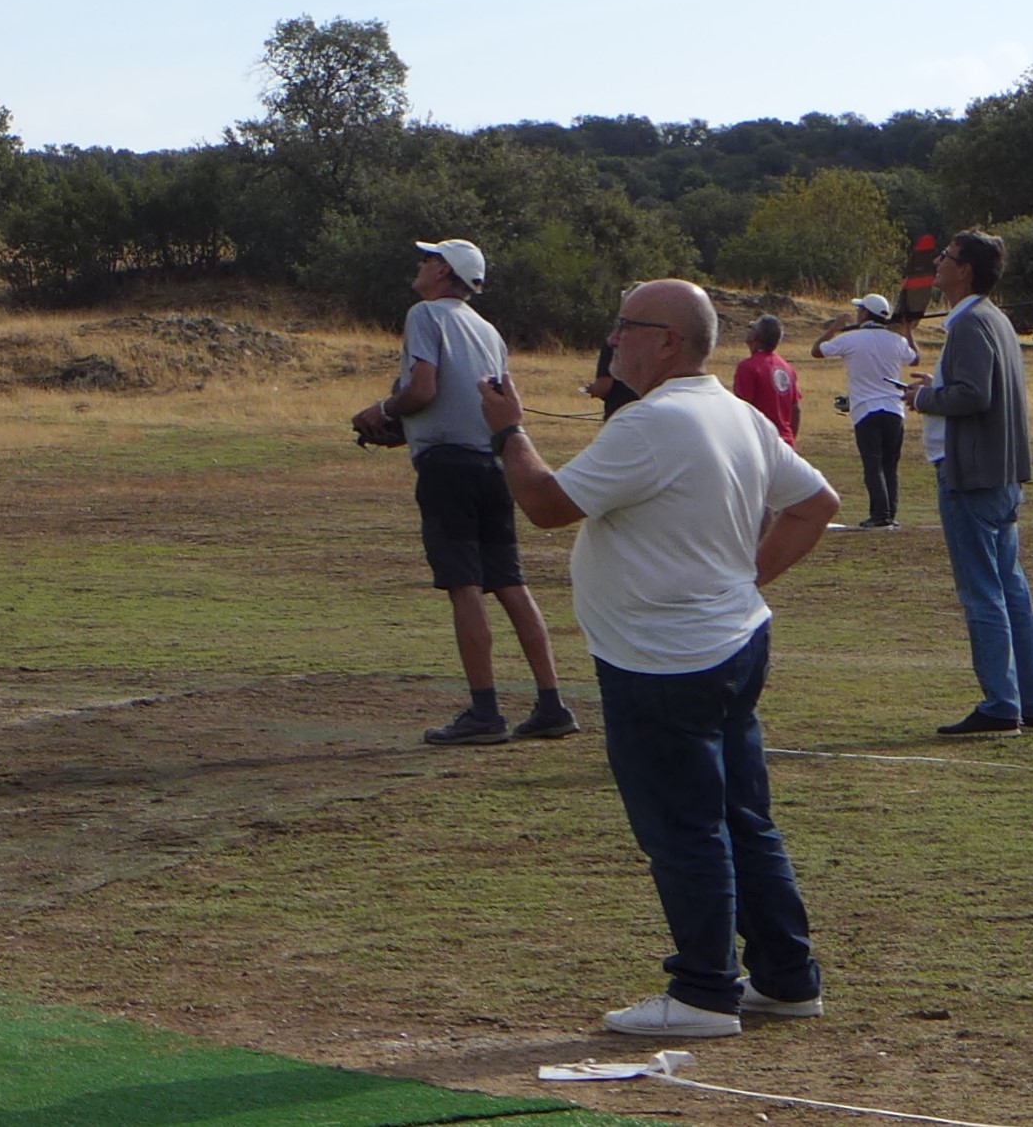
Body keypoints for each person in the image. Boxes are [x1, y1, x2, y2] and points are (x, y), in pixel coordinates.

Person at [480, 280, 839, 1039]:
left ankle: (704, 992)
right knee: (742, 818)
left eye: (626, 326)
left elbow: (545, 505)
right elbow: (814, 504)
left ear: (669, 341)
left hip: (662, 660)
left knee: (683, 829)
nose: (613, 339)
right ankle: (785, 979)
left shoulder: (650, 424)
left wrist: (509, 431)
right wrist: (742, 582)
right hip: (732, 642)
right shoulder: (734, 413)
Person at [349, 238, 577, 746]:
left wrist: (381, 412)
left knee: (464, 584)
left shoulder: (426, 315)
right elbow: (498, 401)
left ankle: (485, 711)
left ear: (444, 271)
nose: (420, 264)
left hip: (446, 468)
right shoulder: (489, 330)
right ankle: (551, 704)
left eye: (429, 259)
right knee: (511, 583)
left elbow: (422, 389)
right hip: (492, 463)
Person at [903, 231, 1033, 736]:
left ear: (964, 270)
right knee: (1011, 590)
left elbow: (973, 395)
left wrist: (924, 399)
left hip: (971, 474)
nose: (938, 262)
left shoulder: (967, 323)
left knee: (983, 592)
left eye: (946, 257)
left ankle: (1001, 705)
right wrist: (938, 387)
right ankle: (1032, 701)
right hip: (1002, 473)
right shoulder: (994, 318)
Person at [812, 295, 915, 529]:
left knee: (873, 463)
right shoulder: (896, 340)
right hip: (894, 409)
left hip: (866, 409)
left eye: (860, 310)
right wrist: (908, 331)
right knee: (890, 465)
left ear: (866, 313)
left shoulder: (851, 339)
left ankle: (879, 514)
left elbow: (817, 351)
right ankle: (889, 513)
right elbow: (914, 358)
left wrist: (834, 328)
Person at [731, 316, 801, 446]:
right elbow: (795, 410)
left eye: (751, 328)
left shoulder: (748, 367)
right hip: (785, 443)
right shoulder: (787, 368)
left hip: (761, 442)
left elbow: (743, 409)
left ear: (754, 337)